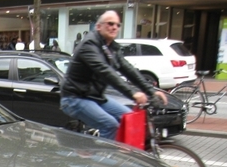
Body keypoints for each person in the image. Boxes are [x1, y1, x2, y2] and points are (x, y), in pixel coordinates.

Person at [59, 10, 168, 140]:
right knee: (110, 125)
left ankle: (117, 154)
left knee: (129, 117)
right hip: (75, 98)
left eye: (117, 25)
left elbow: (128, 69)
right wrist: (133, 94)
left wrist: (150, 91)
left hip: (96, 97)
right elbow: (105, 72)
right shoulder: (89, 45)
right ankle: (100, 160)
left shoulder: (111, 47)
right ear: (98, 26)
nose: (114, 27)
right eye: (110, 24)